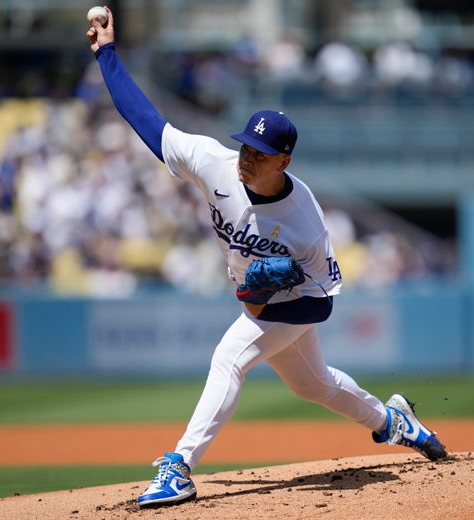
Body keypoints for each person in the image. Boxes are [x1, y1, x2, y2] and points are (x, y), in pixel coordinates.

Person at [86, 7, 447, 508]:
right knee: (314, 386)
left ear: (285, 160)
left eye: (258, 153)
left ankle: (180, 467)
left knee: (228, 359)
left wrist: (262, 299)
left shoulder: (306, 220)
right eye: (245, 147)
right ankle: (392, 421)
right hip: (258, 297)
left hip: (295, 301)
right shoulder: (214, 163)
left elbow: (322, 301)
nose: (246, 159)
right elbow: (147, 121)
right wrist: (107, 54)